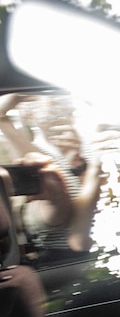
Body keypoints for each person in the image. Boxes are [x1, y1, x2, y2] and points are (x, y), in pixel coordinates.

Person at [0, 93, 109, 264]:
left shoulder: (93, 148)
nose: (49, 106)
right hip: (56, 255)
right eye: (38, 101)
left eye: (54, 100)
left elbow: (78, 236)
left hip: (74, 256)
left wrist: (86, 169)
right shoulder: (35, 153)